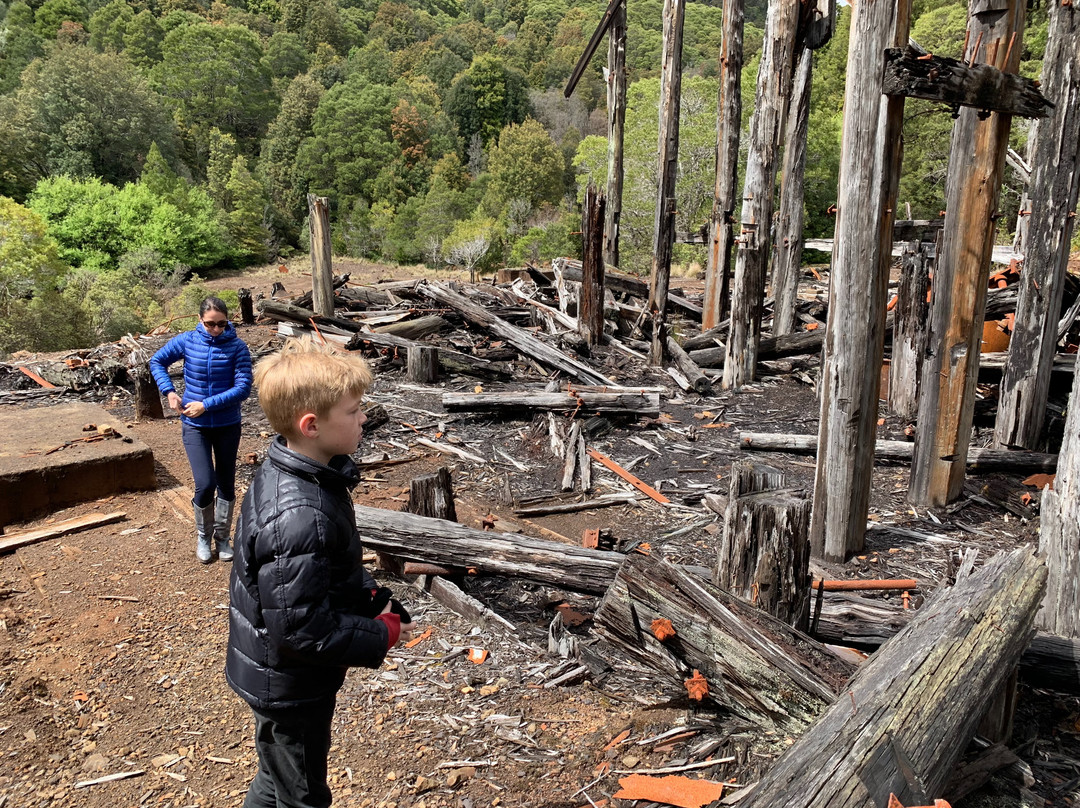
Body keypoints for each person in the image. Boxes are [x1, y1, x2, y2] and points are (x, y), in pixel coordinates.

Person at [226, 338, 415, 808]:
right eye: (353, 410)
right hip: (290, 683)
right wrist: (382, 632)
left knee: (276, 780)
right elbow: (302, 629)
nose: (364, 417)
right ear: (311, 426)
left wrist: (369, 597)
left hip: (275, 673)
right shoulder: (299, 512)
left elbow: (321, 570)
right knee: (302, 794)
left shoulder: (301, 472)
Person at [150, 296, 253, 564]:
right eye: (210, 324)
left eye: (221, 324)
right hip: (194, 425)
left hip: (227, 424)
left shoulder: (238, 347)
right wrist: (169, 392)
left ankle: (223, 538)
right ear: (200, 320)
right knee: (205, 484)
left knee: (226, 483)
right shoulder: (187, 341)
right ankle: (203, 536)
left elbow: (242, 388)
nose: (216, 329)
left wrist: (206, 405)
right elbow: (157, 361)